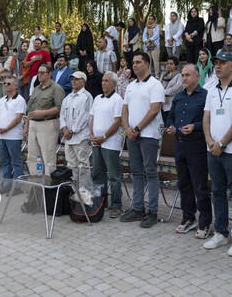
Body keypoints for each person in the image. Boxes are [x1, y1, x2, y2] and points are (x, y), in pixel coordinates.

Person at [202, 51, 232, 256]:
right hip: (212, 149)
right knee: (218, 192)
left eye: (222, 63)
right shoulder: (212, 89)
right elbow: (206, 118)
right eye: (216, 63)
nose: (218, 66)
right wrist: (210, 142)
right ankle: (221, 232)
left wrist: (222, 143)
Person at [166, 64, 212, 238]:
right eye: (183, 75)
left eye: (187, 75)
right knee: (184, 184)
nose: (184, 78)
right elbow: (170, 117)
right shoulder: (178, 97)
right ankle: (188, 217)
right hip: (180, 145)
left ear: (197, 76)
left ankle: (205, 221)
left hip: (197, 146)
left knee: (200, 186)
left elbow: (210, 119)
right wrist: (171, 126)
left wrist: (195, 126)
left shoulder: (205, 96)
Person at [120, 52, 165, 228]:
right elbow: (124, 109)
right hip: (131, 136)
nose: (135, 65)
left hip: (148, 136)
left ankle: (152, 211)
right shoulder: (131, 86)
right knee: (136, 173)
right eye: (133, 63)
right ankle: (138, 209)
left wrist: (137, 129)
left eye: (138, 62)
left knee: (151, 173)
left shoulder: (155, 85)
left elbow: (154, 110)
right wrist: (127, 129)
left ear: (147, 64)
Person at [90, 71, 125, 218]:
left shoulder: (117, 100)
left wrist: (104, 137)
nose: (103, 83)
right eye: (103, 80)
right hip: (96, 142)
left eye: (107, 81)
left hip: (110, 143)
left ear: (114, 84)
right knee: (97, 174)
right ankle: (101, 201)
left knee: (114, 176)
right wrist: (91, 134)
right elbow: (92, 117)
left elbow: (118, 122)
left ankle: (116, 205)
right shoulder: (97, 98)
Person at [24, 63, 65, 175]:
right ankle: (36, 183)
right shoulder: (36, 89)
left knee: (48, 158)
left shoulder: (57, 88)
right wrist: (26, 127)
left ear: (49, 74)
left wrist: (43, 113)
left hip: (48, 124)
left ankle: (48, 186)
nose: (39, 75)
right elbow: (30, 109)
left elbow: (59, 108)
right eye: (38, 73)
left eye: (42, 73)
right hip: (33, 124)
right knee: (32, 157)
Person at [60, 71, 94, 190]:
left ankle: (85, 193)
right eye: (72, 79)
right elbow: (62, 114)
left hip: (80, 137)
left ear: (83, 82)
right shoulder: (68, 97)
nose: (73, 81)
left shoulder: (87, 96)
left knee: (83, 165)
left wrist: (72, 131)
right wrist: (64, 129)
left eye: (77, 79)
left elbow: (85, 116)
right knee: (71, 165)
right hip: (68, 138)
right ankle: (74, 192)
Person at [0, 75, 26, 194]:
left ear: (16, 86)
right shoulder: (2, 100)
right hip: (2, 136)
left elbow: (18, 118)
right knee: (5, 161)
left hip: (13, 136)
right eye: (5, 83)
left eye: (8, 83)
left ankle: (17, 187)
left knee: (16, 162)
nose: (5, 85)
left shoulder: (20, 100)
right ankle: (6, 185)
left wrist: (5, 129)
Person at [159, 56, 183, 123]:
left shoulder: (179, 76)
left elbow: (177, 88)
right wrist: (163, 95)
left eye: (171, 64)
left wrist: (164, 92)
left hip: (173, 104)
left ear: (176, 66)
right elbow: (158, 87)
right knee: (166, 125)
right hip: (163, 104)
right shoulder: (163, 75)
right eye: (168, 63)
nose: (169, 65)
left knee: (173, 126)